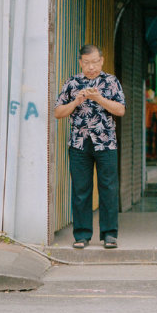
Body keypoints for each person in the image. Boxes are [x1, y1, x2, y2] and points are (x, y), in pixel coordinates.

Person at [54, 44, 126, 249]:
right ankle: (82, 235)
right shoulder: (72, 83)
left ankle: (109, 234)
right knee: (80, 189)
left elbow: (120, 110)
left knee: (108, 188)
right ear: (80, 63)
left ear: (101, 61)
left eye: (95, 62)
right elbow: (58, 112)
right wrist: (76, 101)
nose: (91, 67)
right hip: (79, 143)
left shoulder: (111, 82)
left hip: (106, 143)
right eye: (87, 63)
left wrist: (99, 98)